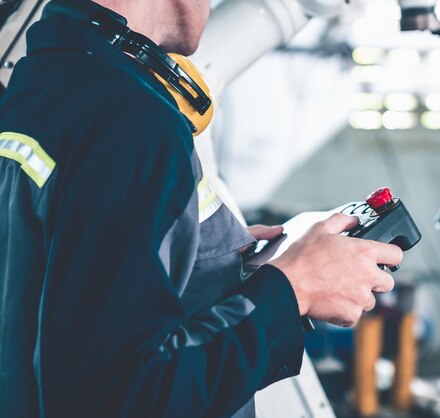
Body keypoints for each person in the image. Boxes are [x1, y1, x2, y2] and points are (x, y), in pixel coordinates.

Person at [0, 0, 403, 417]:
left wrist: (224, 257)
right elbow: (122, 398)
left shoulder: (41, 85)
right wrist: (293, 288)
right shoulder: (130, 123)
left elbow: (63, 290)